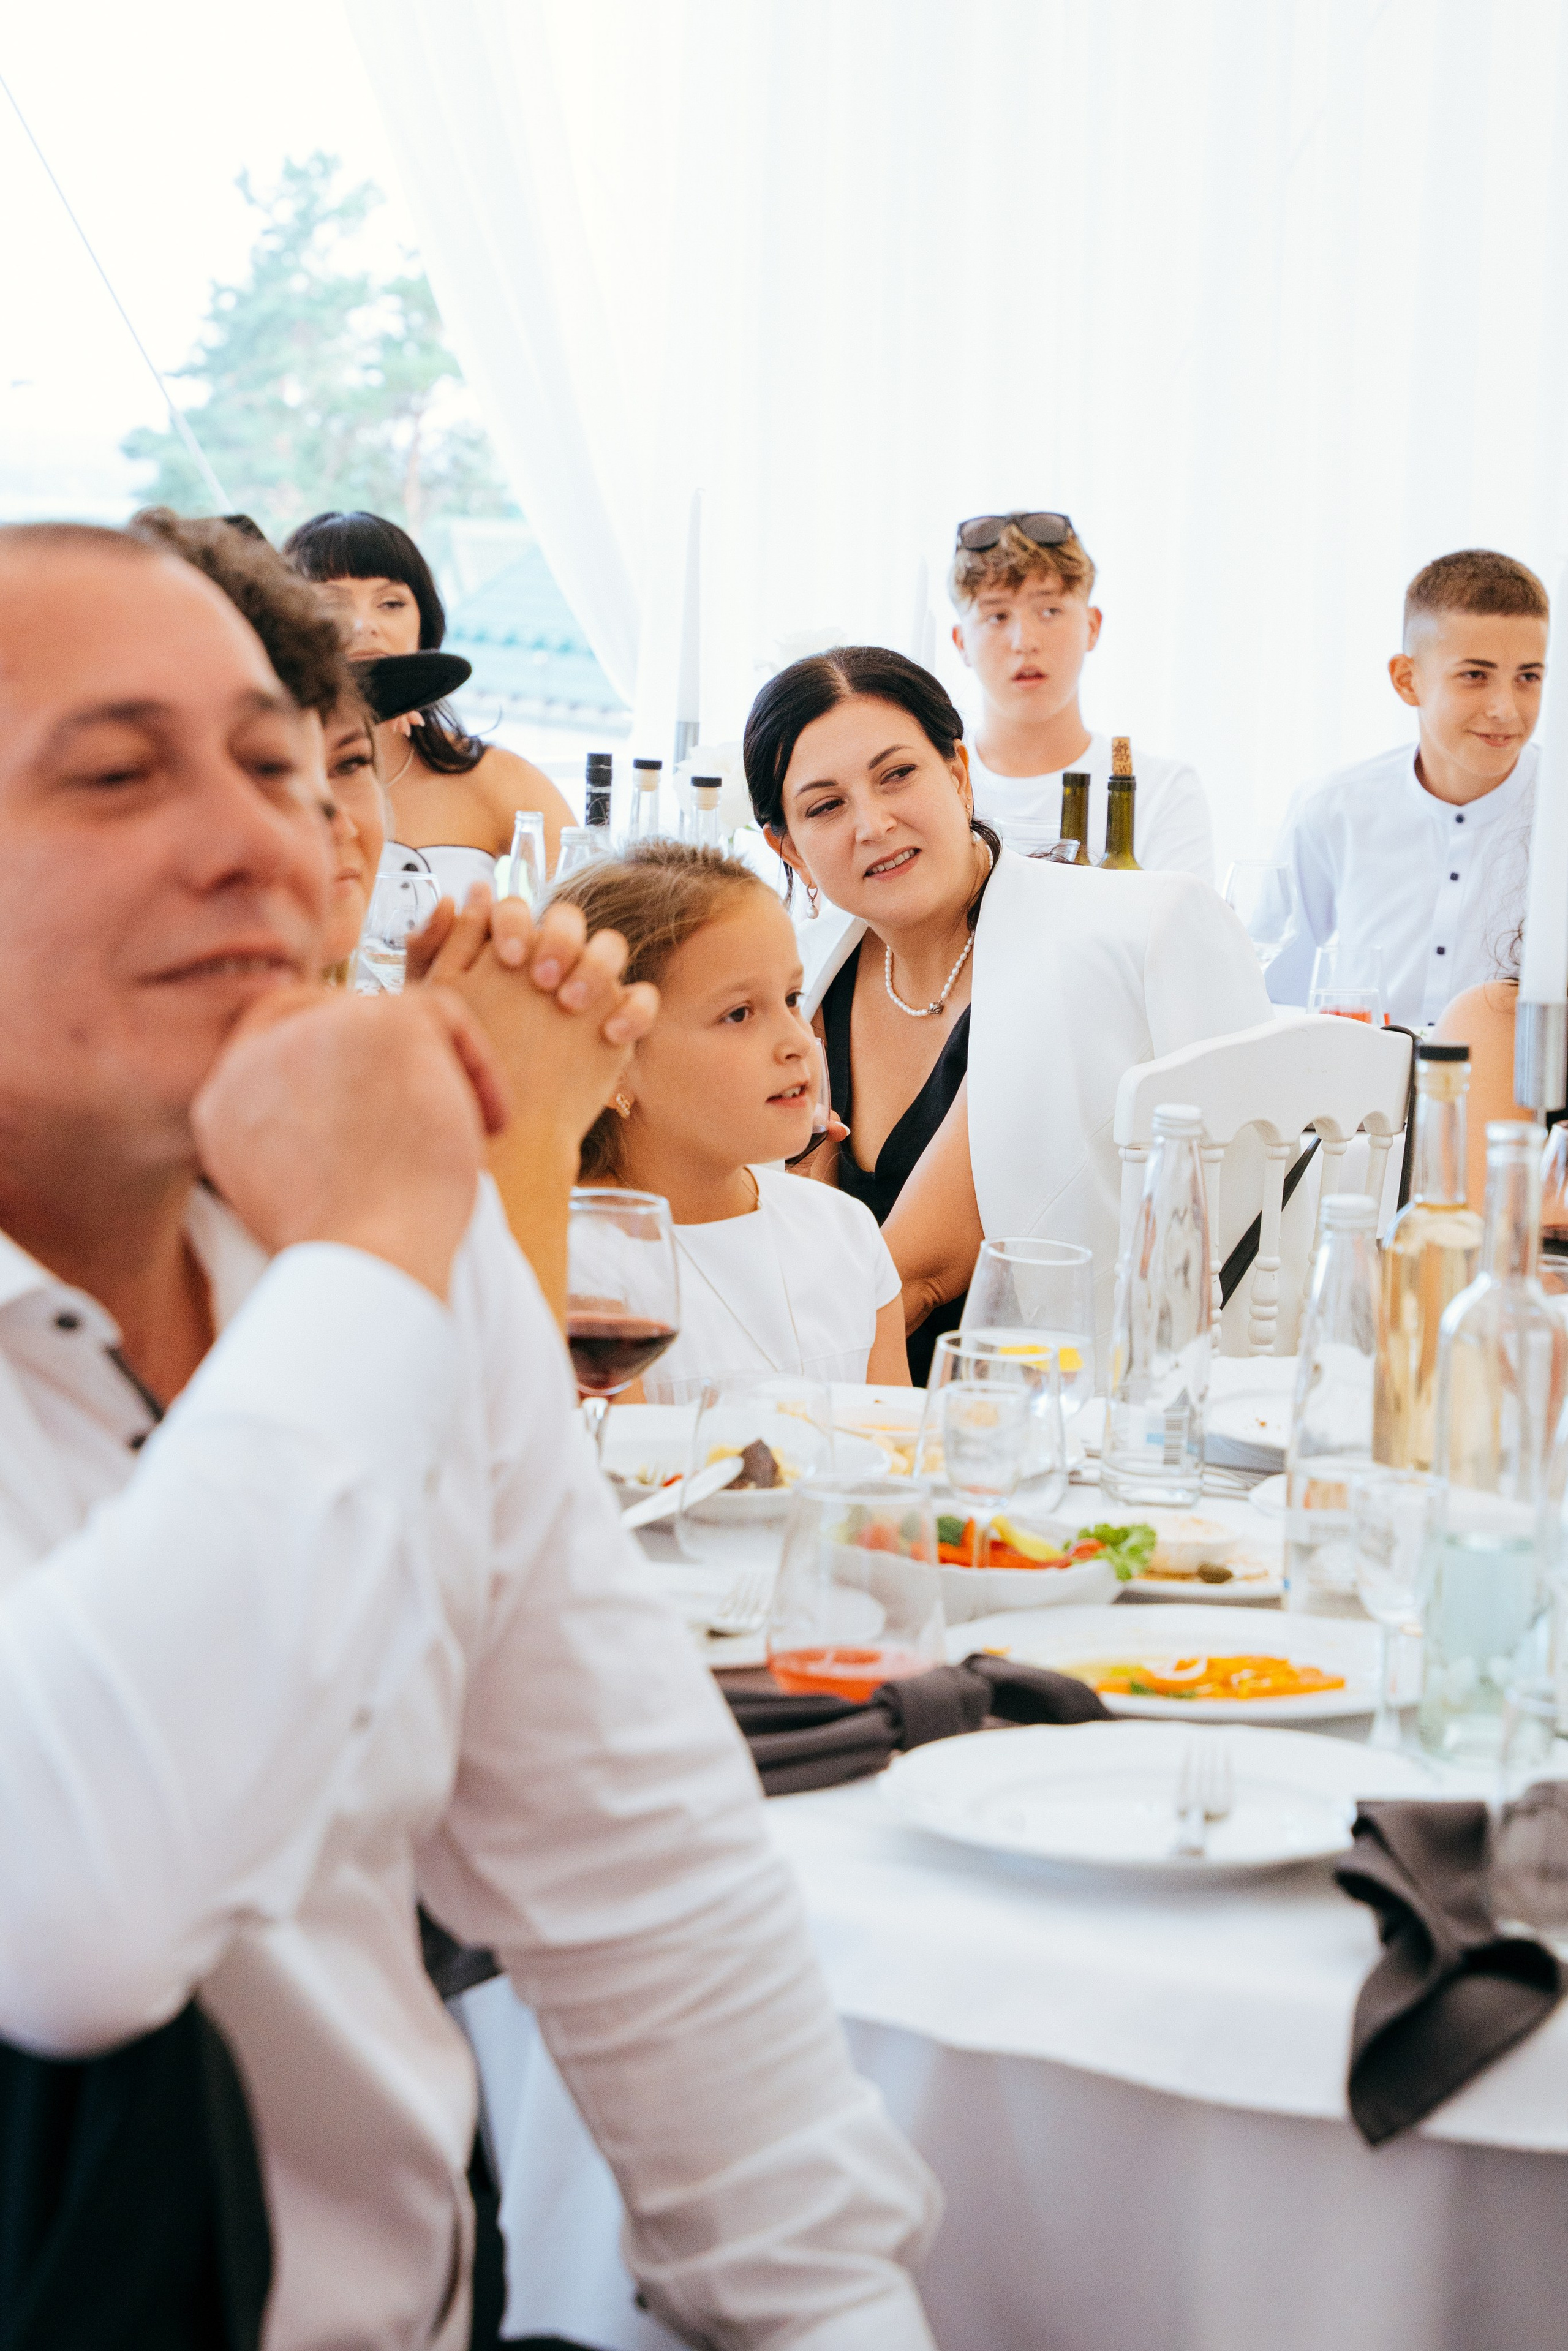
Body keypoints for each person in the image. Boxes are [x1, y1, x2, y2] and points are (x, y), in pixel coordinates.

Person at [0, 523, 941, 2350]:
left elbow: (641, 1870)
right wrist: (364, 1249)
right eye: (116, 775)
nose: (268, 842)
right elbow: (71, 1911)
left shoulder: (395, 1267)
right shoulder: (377, 1258)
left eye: (287, 762)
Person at [746, 646, 1270, 1370]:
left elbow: (912, 1278)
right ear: (787, 848)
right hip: (856, 1406)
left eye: (897, 774)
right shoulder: (794, 987)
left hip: (1053, 1421)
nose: (872, 823)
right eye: (826, 806)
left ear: (958, 774)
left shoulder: (1117, 936)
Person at [552, 839, 910, 1399]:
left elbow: (900, 1462)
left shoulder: (846, 1232)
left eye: (792, 997)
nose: (797, 1040)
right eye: (738, 1013)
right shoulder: (579, 1266)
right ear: (612, 1061)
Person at [1266, 548, 1548, 1030]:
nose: (1506, 709)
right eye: (1475, 676)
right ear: (1406, 679)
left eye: (1528, 677)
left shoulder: (1557, 811)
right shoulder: (1331, 811)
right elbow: (1273, 998)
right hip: (1351, 1098)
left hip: (1514, 1103)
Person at [285, 508, 573, 894]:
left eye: (391, 604)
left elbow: (593, 906)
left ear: (425, 623)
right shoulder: (272, 780)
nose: (364, 625)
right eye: (332, 605)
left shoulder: (494, 778)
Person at [949, 511, 1215, 878]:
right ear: (961, 643)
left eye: (1050, 610)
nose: (1024, 642)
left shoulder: (1163, 793)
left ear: (1092, 627)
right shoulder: (938, 787)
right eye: (997, 616)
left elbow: (1183, 934)